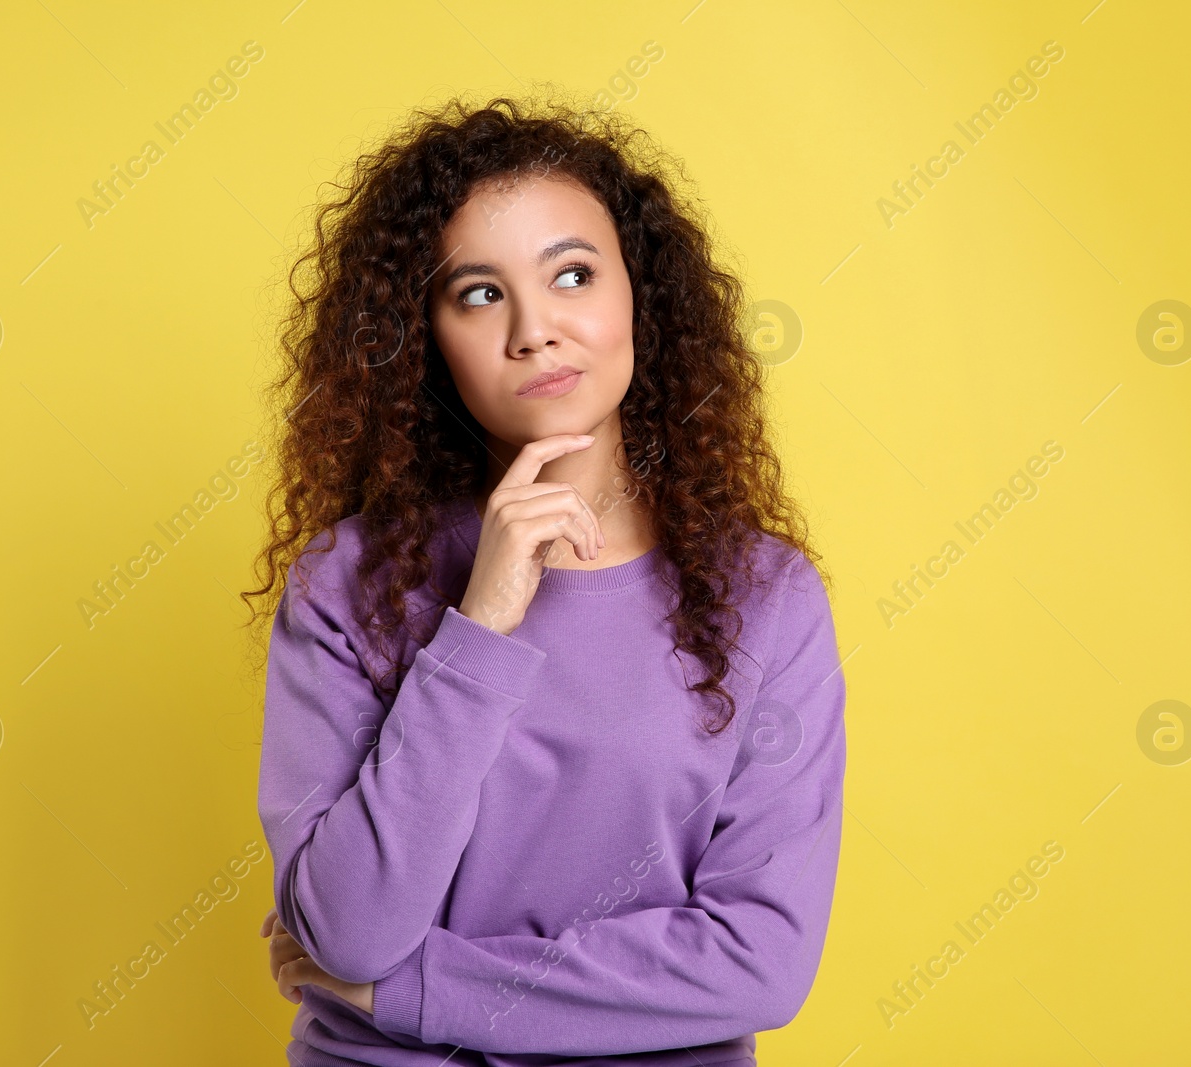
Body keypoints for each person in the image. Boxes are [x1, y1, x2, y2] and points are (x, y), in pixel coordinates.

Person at [245, 92, 847, 1065]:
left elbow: (758, 960)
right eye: (478, 293)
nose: (535, 329)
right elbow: (349, 928)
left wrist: (409, 989)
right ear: (424, 337)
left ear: (638, 297)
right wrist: (480, 622)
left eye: (571, 274)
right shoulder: (346, 583)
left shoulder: (765, 597)